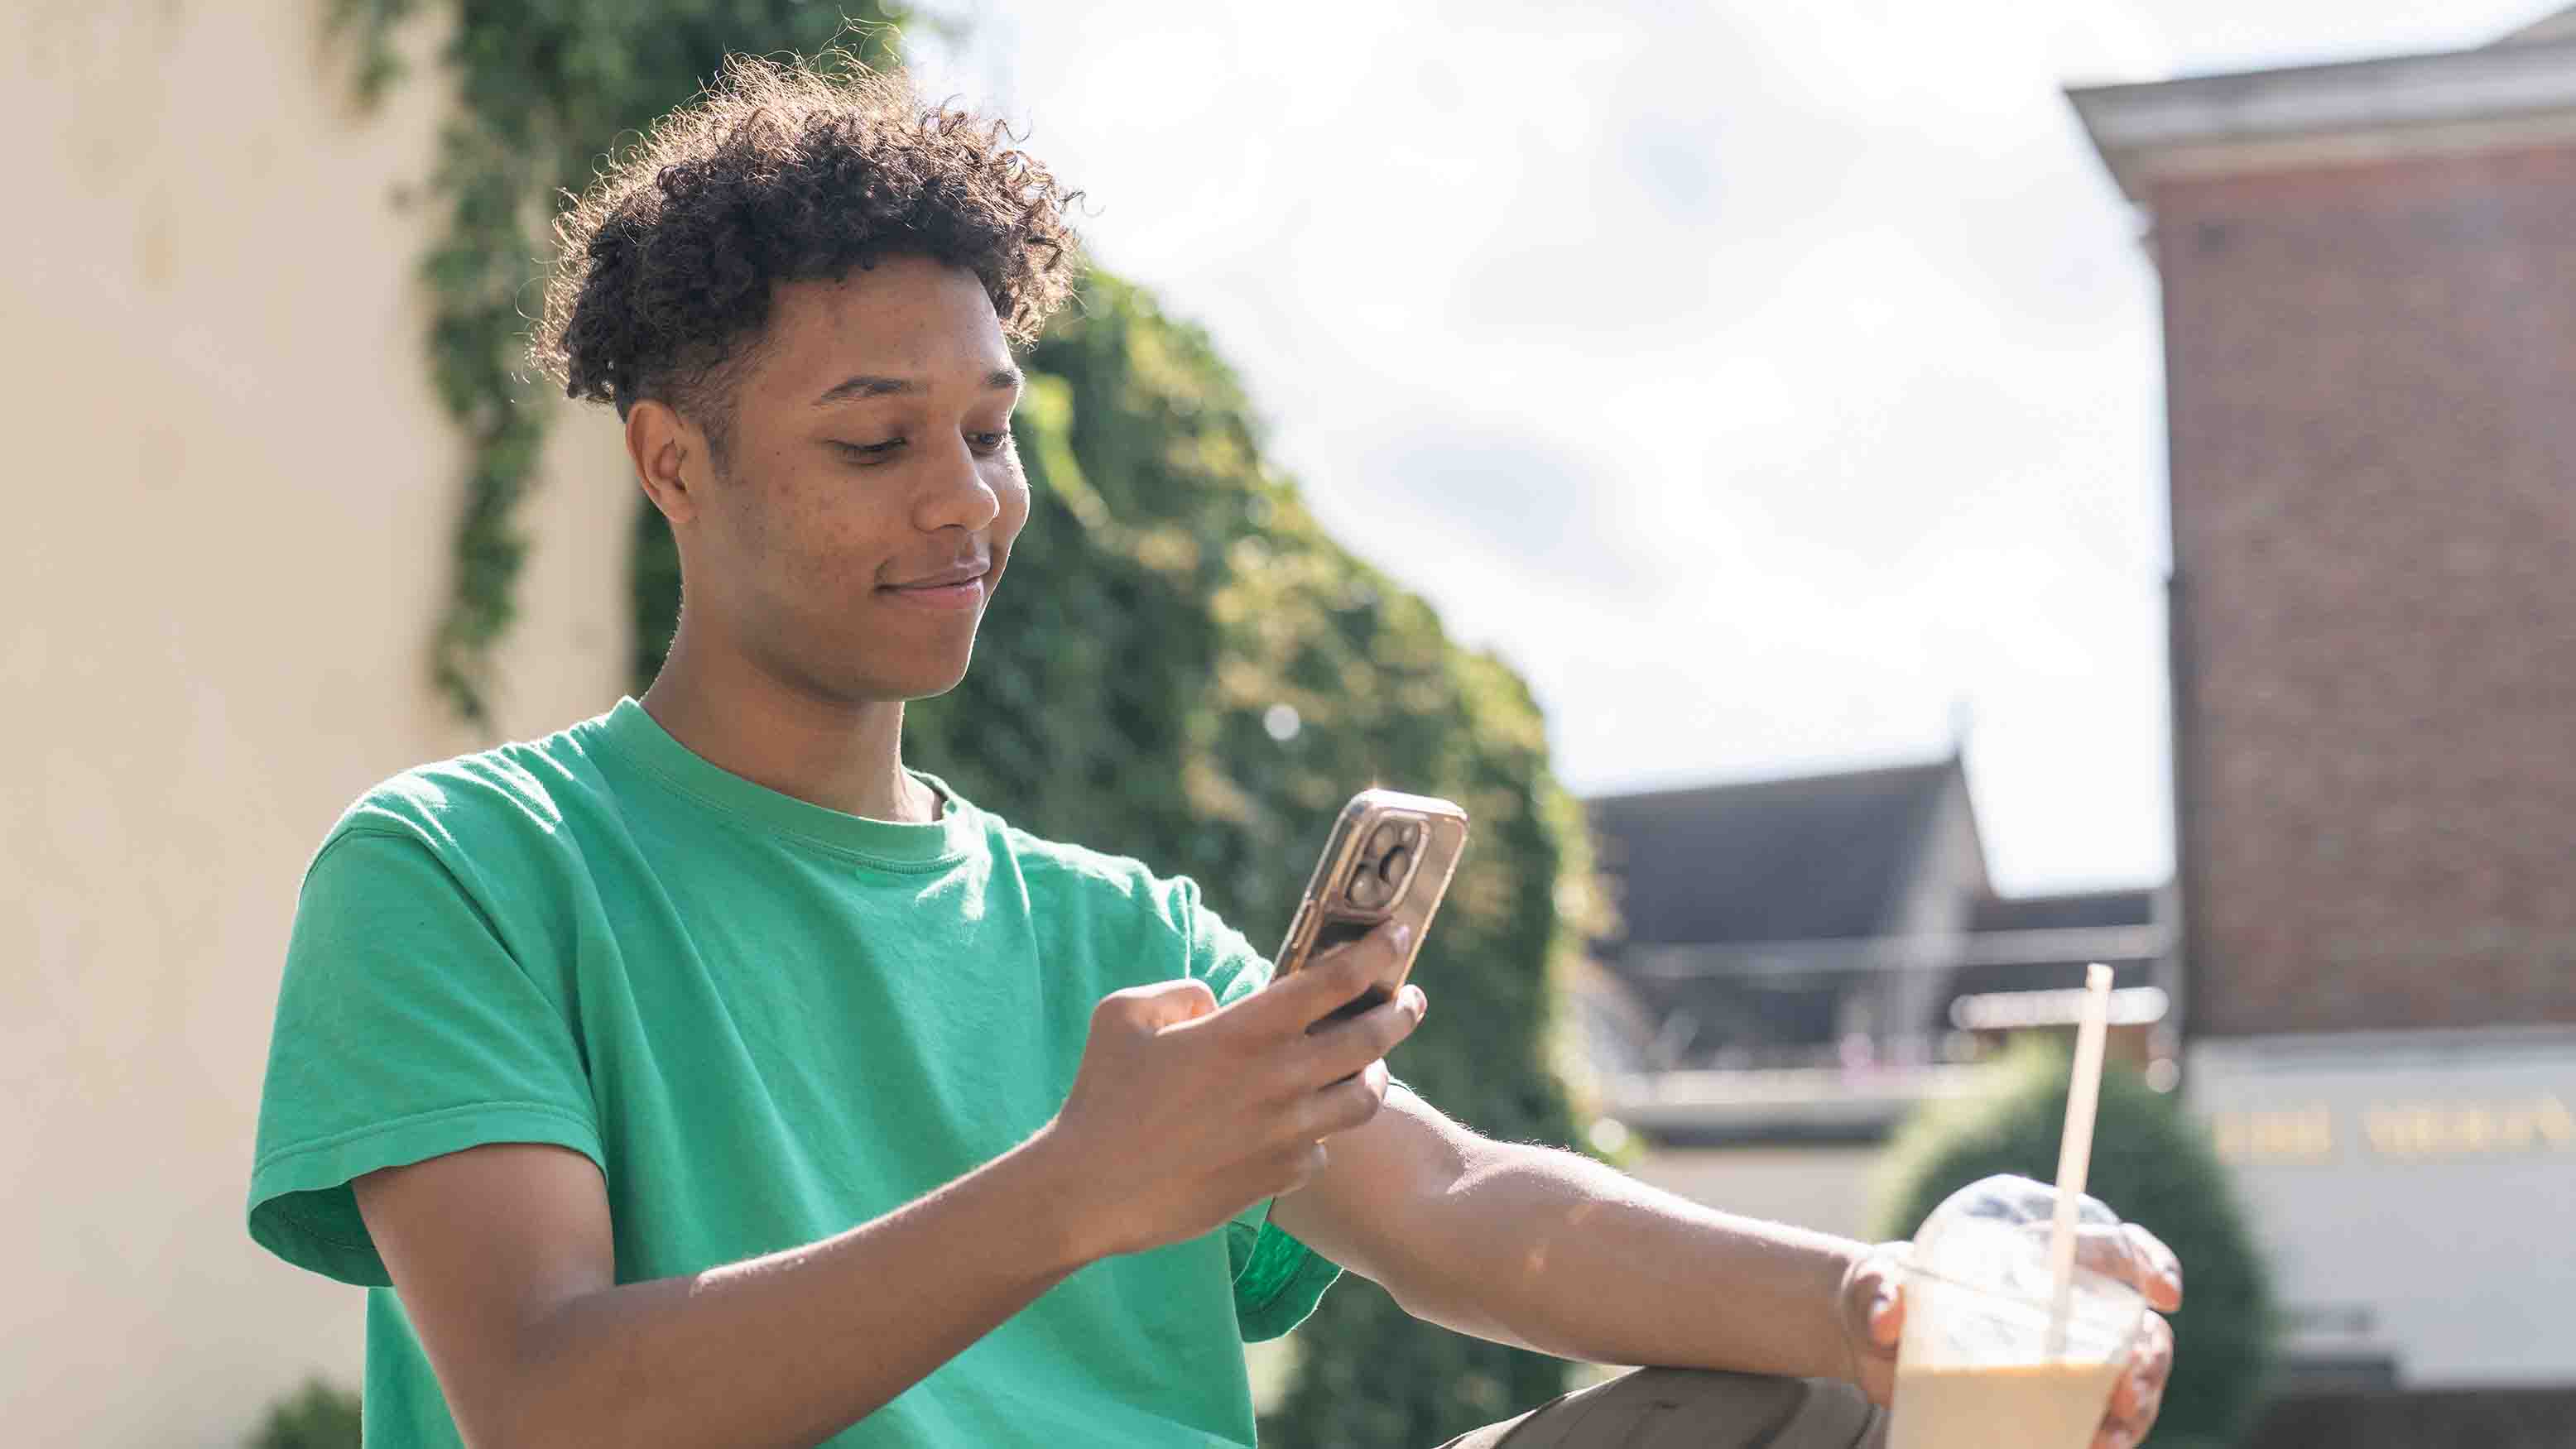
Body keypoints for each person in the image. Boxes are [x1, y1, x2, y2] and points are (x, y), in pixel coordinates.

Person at [246, 52, 2180, 1449]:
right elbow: (550, 1402)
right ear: (673, 462)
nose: (964, 499)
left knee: (1817, 1408)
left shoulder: (1121, 935)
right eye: (873, 439)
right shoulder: (465, 870)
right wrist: (1074, 1190)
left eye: (989, 428)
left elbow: (1453, 1207)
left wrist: (1880, 1302)